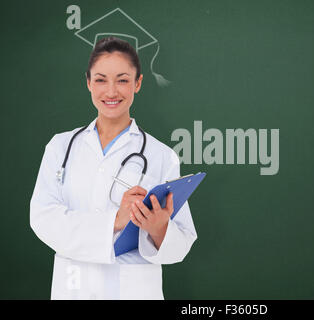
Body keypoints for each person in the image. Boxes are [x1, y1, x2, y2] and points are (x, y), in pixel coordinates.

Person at [29, 37, 197, 300]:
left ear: (138, 83)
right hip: (73, 289)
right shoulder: (60, 147)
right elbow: (43, 220)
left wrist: (159, 228)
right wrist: (114, 221)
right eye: (100, 80)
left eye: (122, 80)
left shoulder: (162, 156)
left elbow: (182, 243)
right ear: (88, 82)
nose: (111, 91)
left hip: (134, 291)